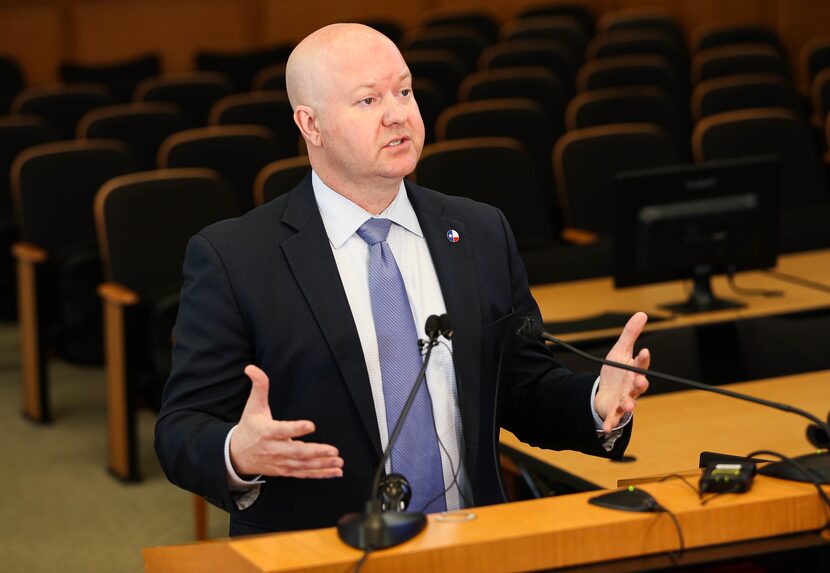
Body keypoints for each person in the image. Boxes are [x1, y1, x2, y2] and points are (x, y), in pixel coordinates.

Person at [155, 23, 650, 536]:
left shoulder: (479, 231)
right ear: (311, 124)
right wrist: (237, 450)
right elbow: (179, 430)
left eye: (405, 91)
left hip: (473, 542)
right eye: (368, 100)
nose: (398, 114)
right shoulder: (235, 257)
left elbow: (522, 391)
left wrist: (595, 402)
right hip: (322, 553)